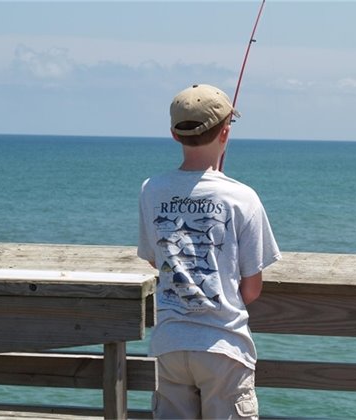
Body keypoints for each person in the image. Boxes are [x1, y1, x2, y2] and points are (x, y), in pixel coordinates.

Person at [137, 83, 281, 419]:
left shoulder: (152, 189)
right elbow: (252, 288)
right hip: (223, 347)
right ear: (225, 133)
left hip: (169, 344)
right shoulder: (242, 197)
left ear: (174, 135)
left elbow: (153, 258)